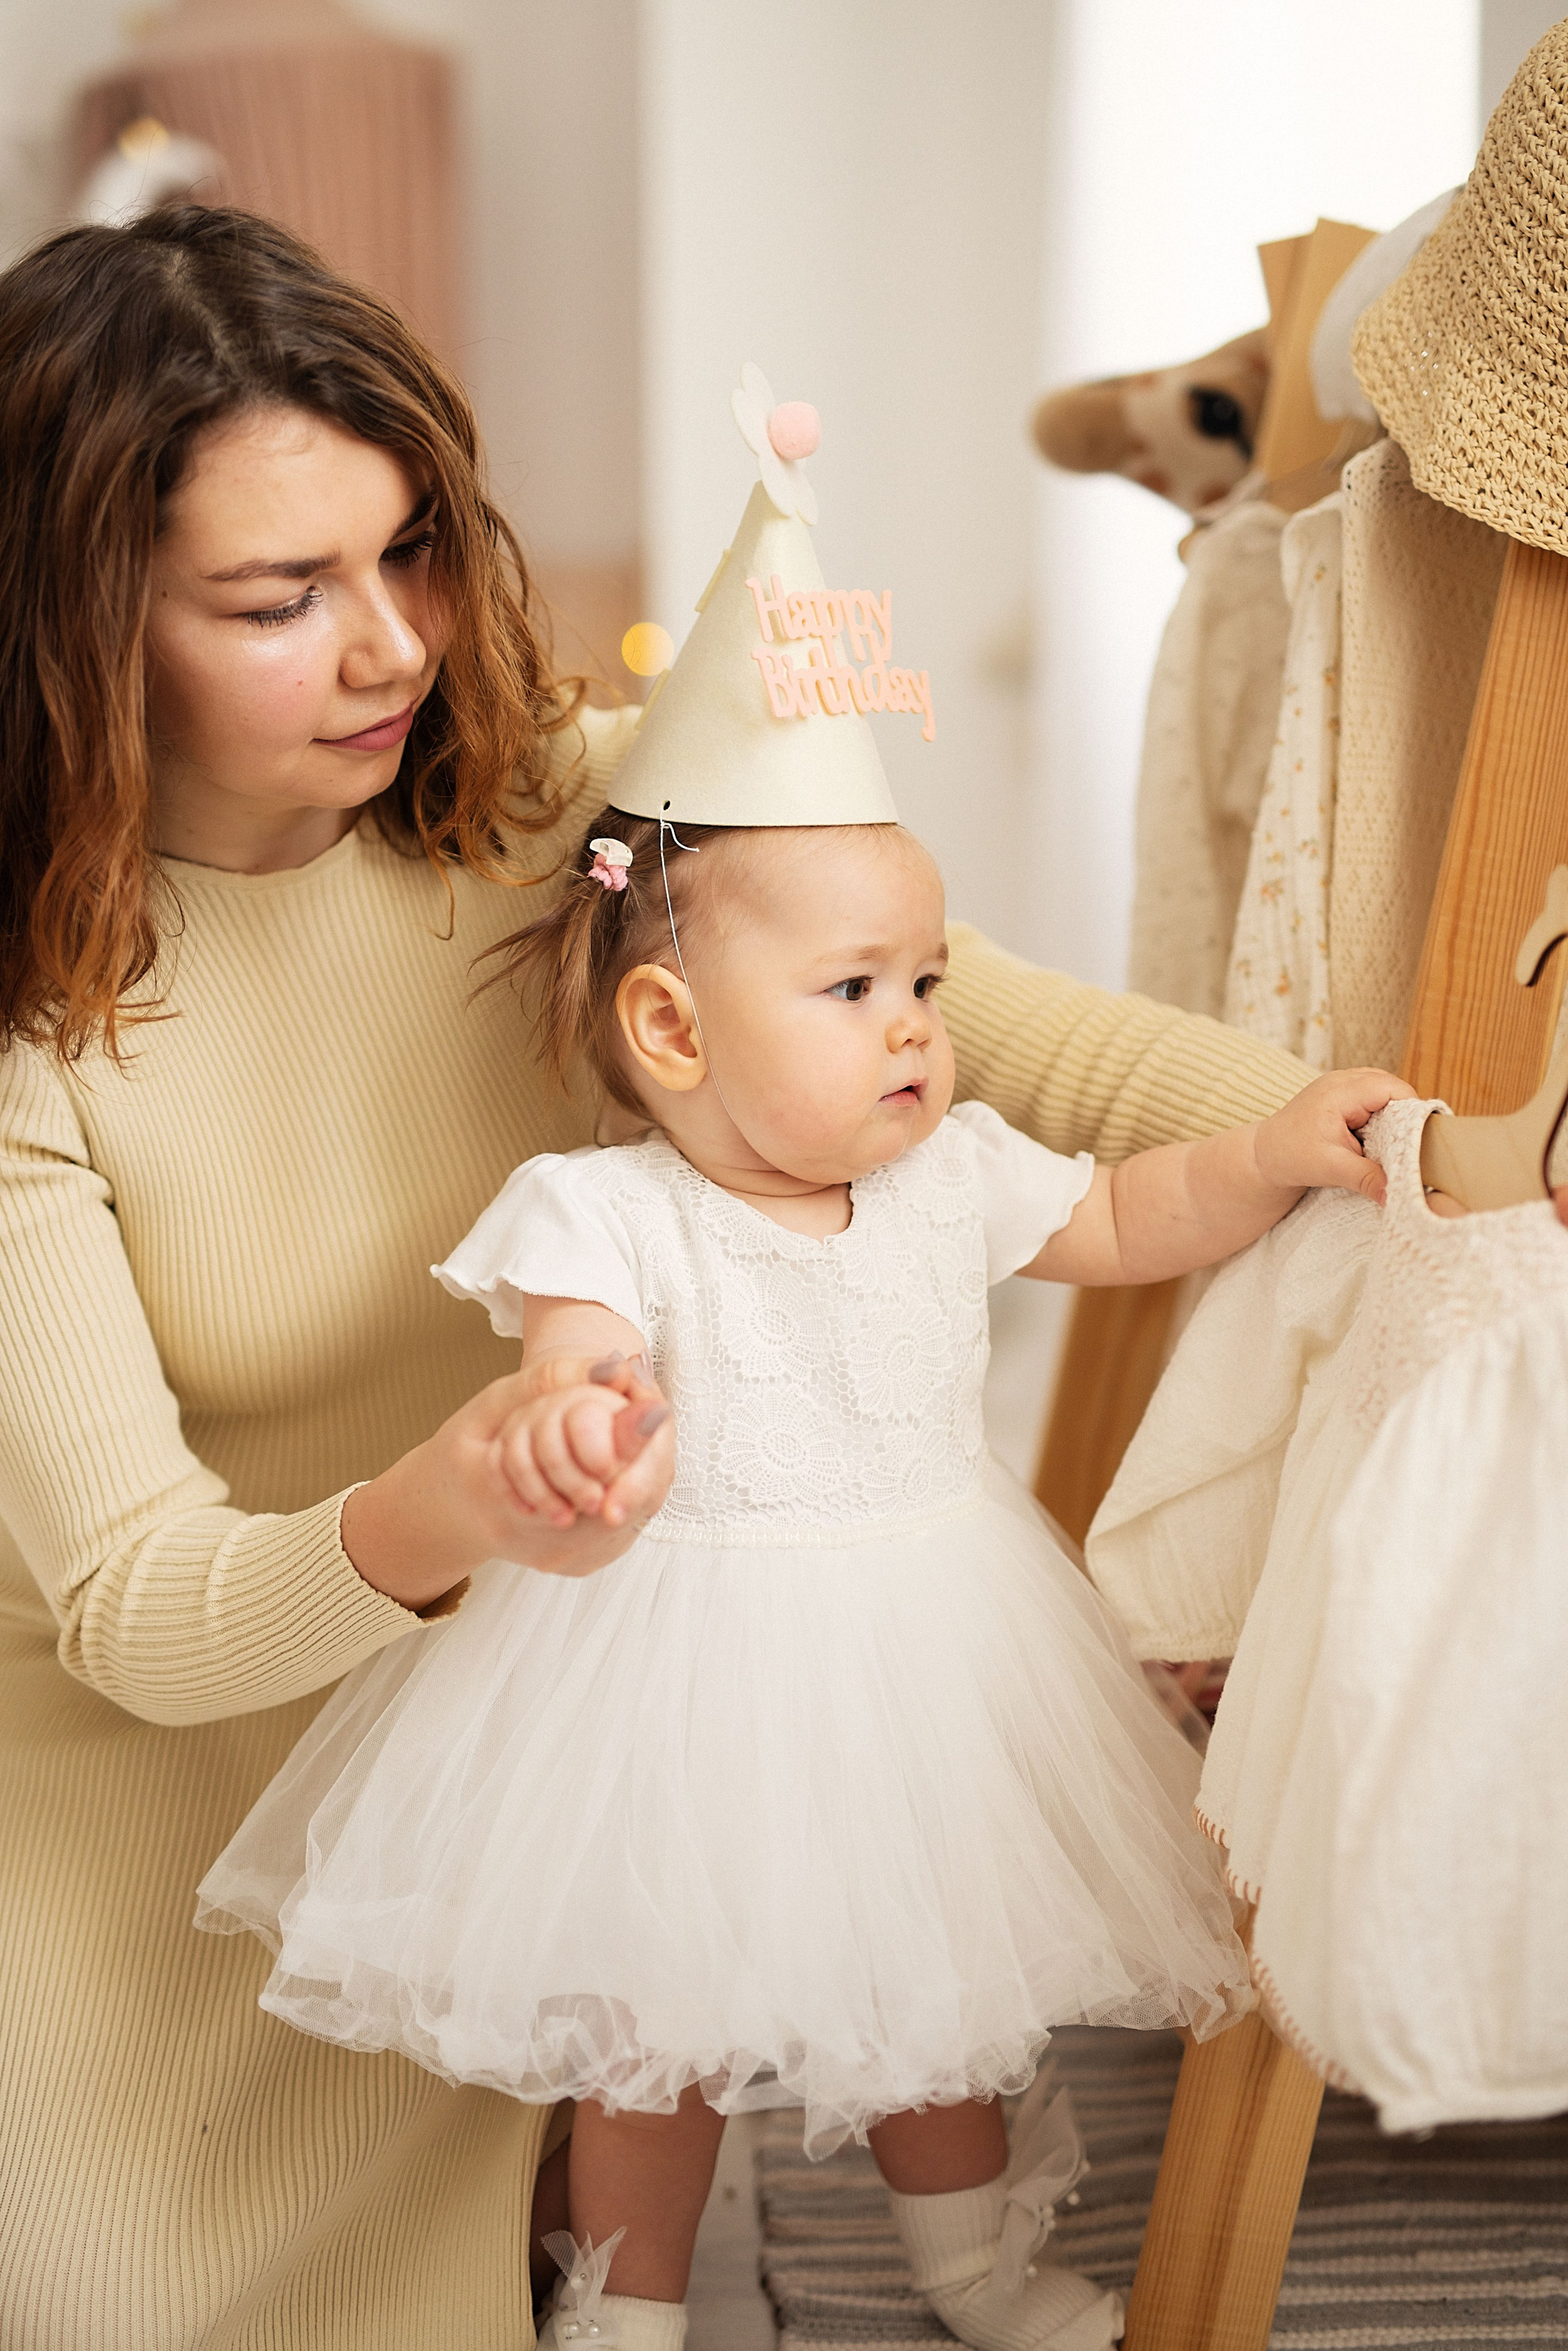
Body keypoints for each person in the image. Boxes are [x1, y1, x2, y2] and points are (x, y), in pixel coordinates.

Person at [0, 204, 1317, 2351]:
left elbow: (982, 1028)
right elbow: (140, 1610)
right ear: (70, 630)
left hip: (547, 1760)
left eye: (411, 550)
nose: (392, 648)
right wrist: (468, 1500)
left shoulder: (568, 831)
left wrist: (1368, 1132)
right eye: (277, 596)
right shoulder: (34, 1031)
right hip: (159, 1765)